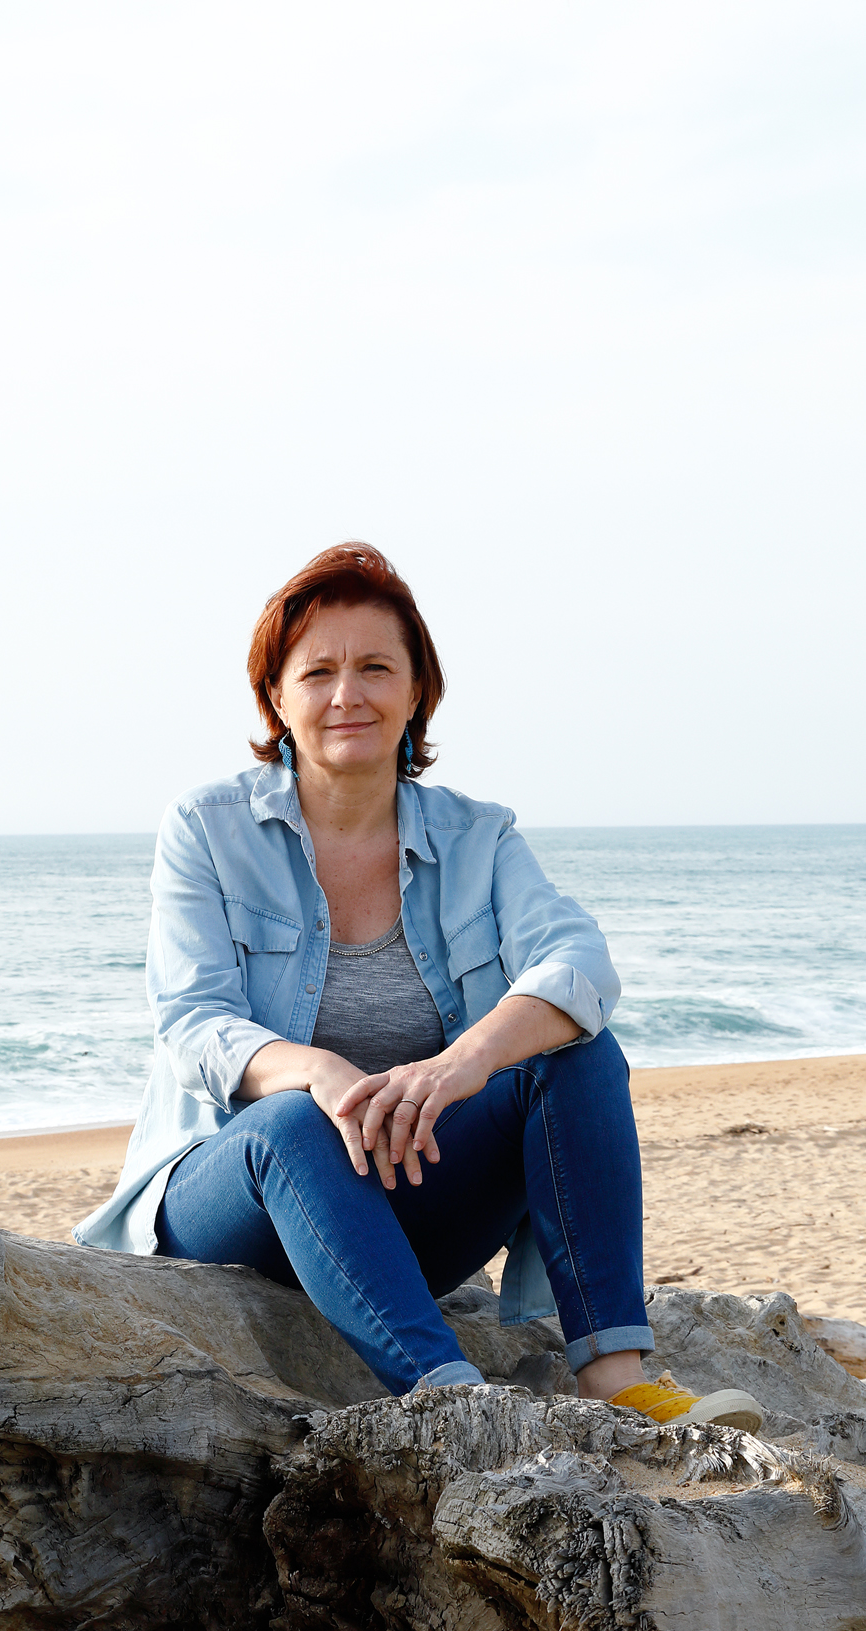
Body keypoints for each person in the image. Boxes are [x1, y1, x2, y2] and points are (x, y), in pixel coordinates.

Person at [76, 543, 763, 1431]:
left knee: (577, 1054)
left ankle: (616, 1378)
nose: (345, 695)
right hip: (235, 1196)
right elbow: (191, 1023)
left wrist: (464, 1062)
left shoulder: (478, 837)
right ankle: (451, 1400)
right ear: (275, 698)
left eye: (374, 668)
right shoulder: (207, 828)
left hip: (403, 1206)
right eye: (316, 671)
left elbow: (579, 962)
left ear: (415, 691)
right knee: (290, 1120)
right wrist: (317, 1071)